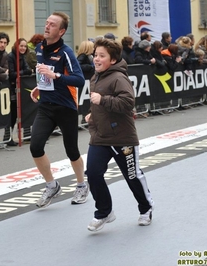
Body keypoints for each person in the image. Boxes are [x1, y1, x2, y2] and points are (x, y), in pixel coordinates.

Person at [85, 38, 154, 231]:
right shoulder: (96, 76)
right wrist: (93, 114)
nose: (96, 59)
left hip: (122, 137)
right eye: (95, 55)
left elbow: (127, 103)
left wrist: (103, 100)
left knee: (132, 176)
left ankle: (146, 208)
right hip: (100, 136)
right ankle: (104, 212)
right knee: (93, 174)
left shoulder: (118, 78)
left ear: (113, 60)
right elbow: (100, 104)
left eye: (101, 56)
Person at [29, 11, 88, 207]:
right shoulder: (39, 48)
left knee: (71, 150)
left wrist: (56, 77)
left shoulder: (66, 52)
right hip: (46, 106)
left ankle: (81, 185)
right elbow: (45, 72)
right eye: (46, 23)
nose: (47, 26)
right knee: (35, 146)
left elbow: (79, 80)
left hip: (66, 107)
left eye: (52, 25)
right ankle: (52, 185)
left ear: (61, 31)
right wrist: (41, 85)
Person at [6, 38, 32, 146]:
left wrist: (23, 72)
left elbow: (28, 70)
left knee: (22, 111)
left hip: (20, 88)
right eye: (21, 46)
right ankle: (8, 137)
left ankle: (27, 134)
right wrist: (23, 72)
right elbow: (12, 73)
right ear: (16, 46)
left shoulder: (22, 57)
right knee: (12, 114)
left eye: (25, 46)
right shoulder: (11, 56)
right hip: (12, 88)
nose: (23, 48)